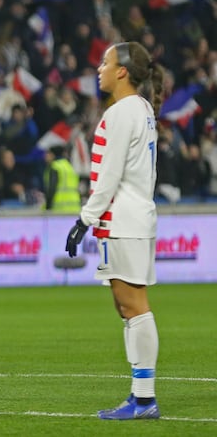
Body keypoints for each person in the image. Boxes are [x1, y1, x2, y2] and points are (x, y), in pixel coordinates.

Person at [65, 41, 164, 420]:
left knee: (135, 307)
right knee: (128, 308)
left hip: (125, 220)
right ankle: (140, 396)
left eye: (105, 62)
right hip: (126, 219)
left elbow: (110, 175)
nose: (99, 69)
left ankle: (144, 398)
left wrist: (84, 219)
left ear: (122, 70)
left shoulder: (124, 111)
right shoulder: (138, 109)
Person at [43, 144, 81, 212]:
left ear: (52, 154)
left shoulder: (55, 167)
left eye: (47, 154)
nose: (45, 156)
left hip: (60, 207)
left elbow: (51, 189)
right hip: (74, 205)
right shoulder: (69, 166)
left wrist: (47, 207)